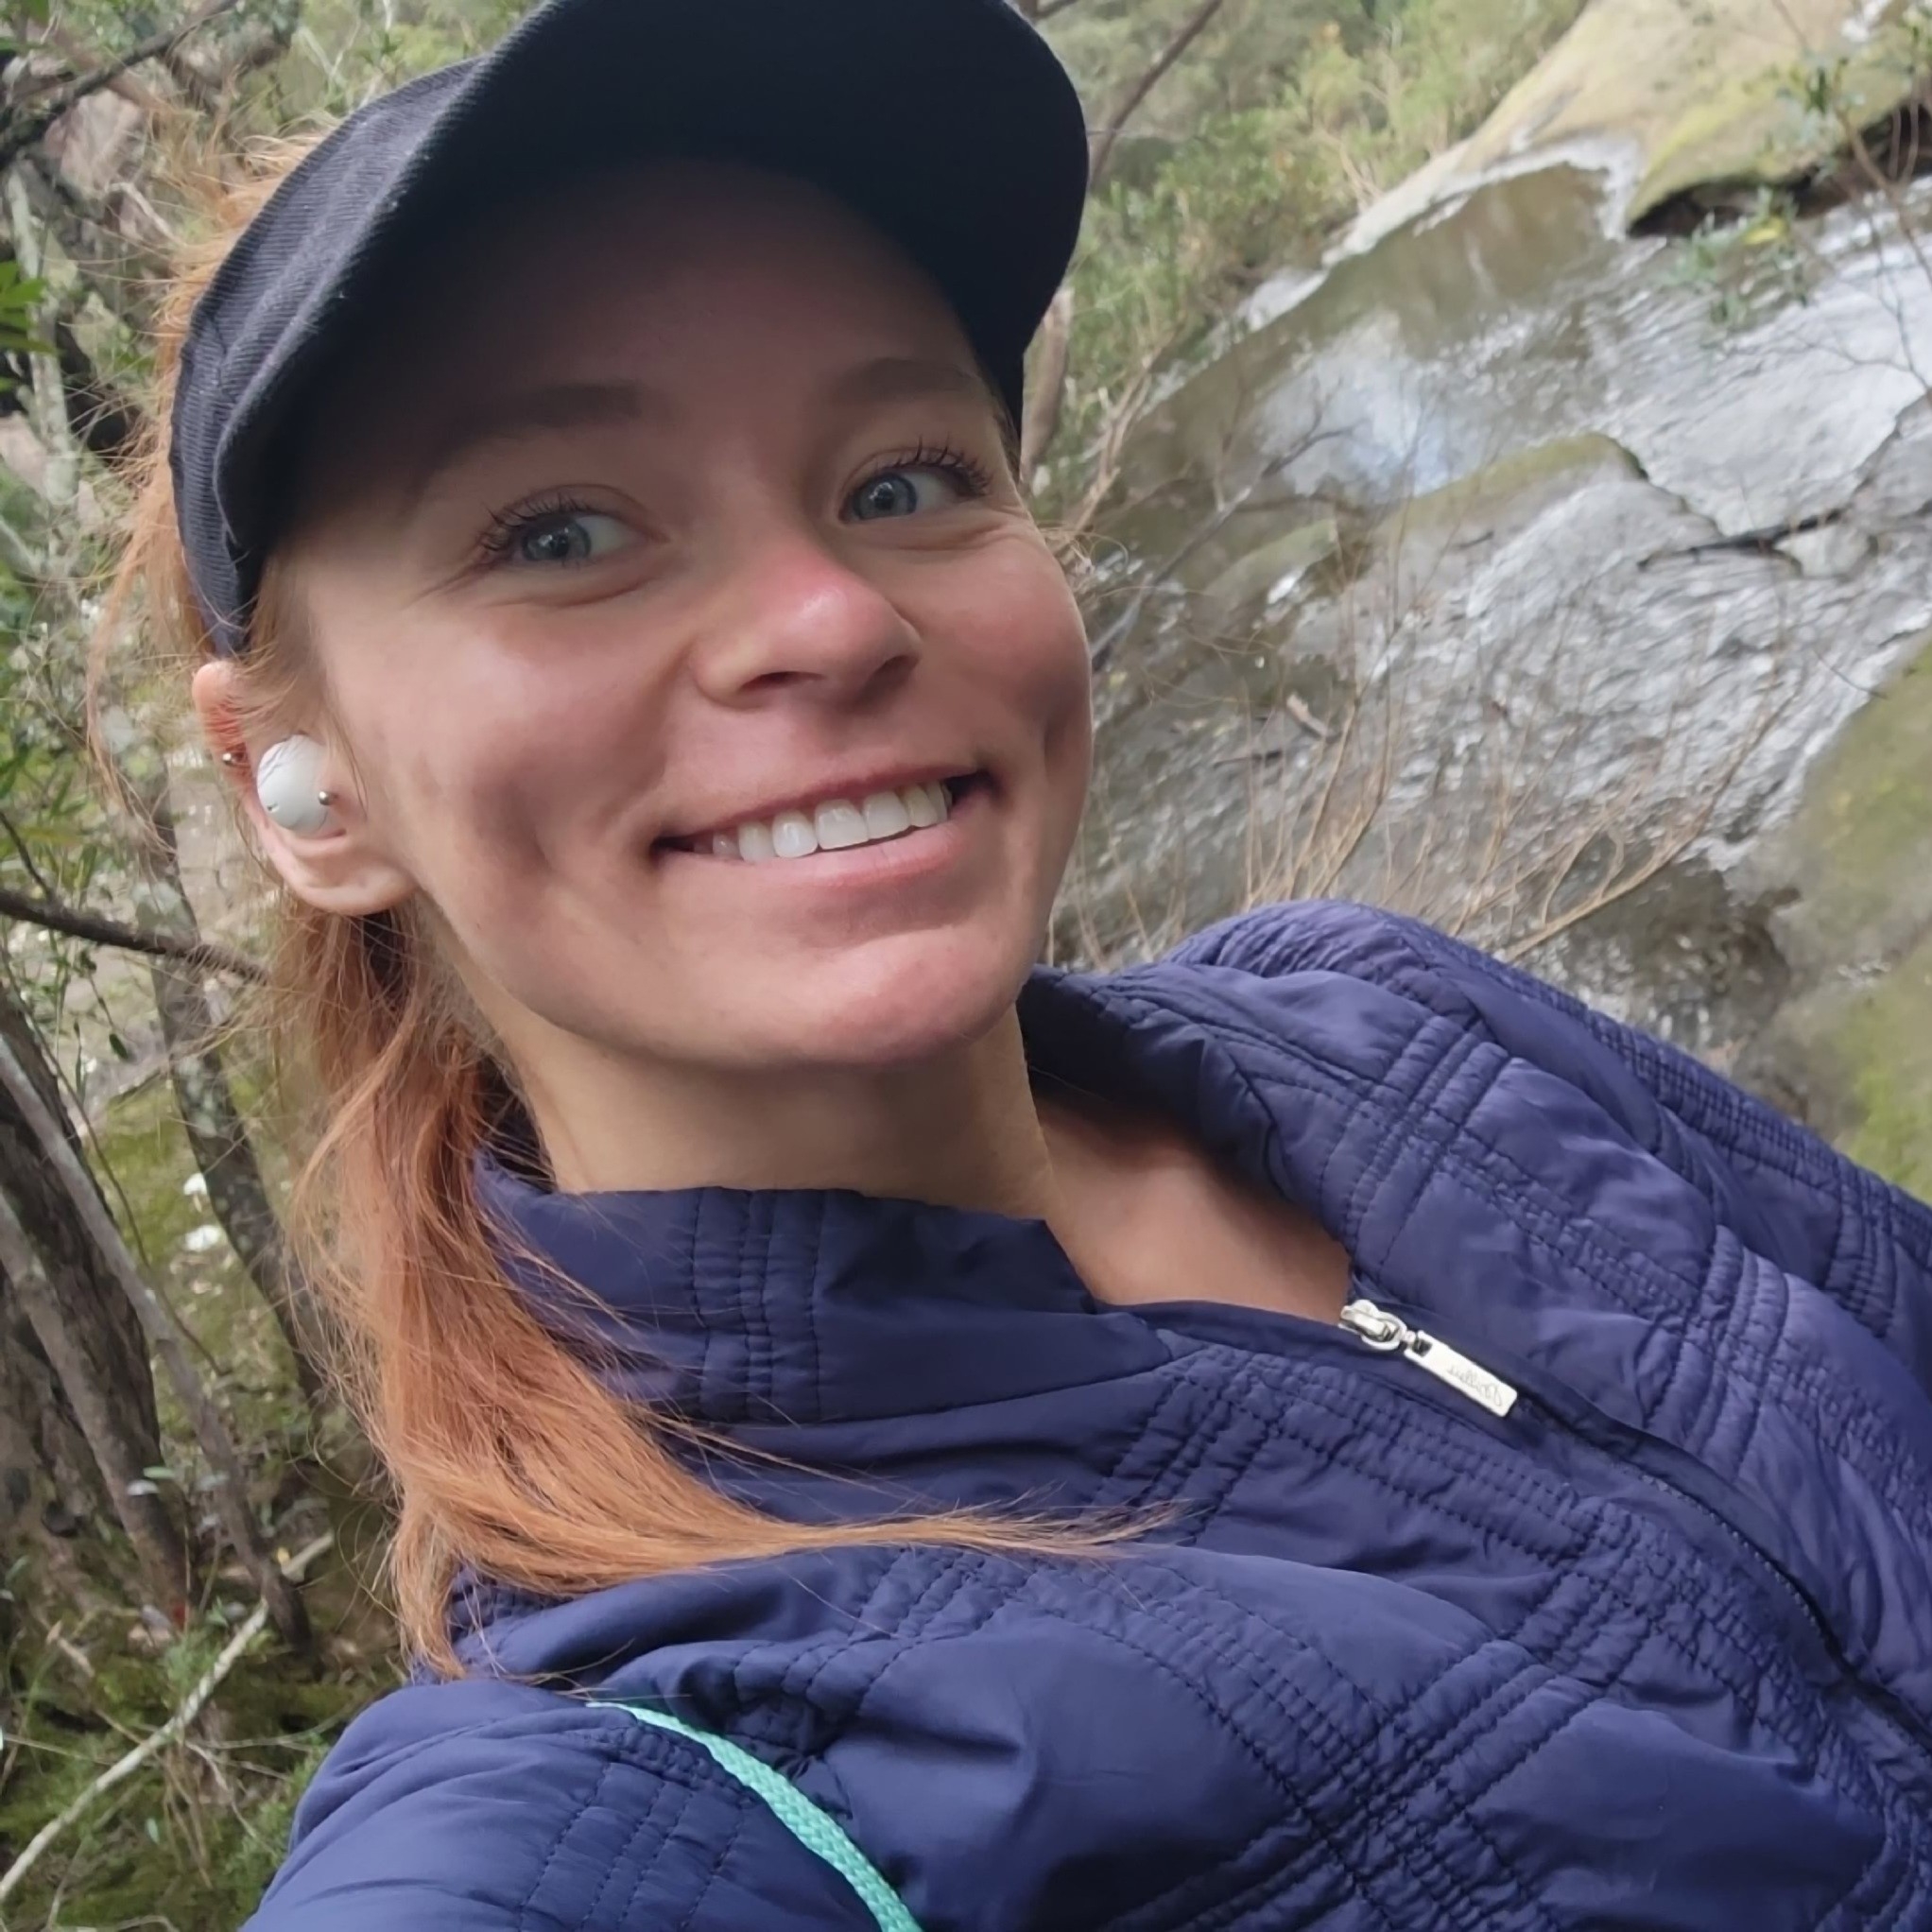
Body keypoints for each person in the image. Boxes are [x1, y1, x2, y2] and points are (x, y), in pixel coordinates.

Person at [101, 0, 1932, 1923]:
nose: (827, 617)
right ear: (298, 785)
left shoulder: (1383, 1019)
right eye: (559, 531)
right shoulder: (638, 1774)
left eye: (901, 479)